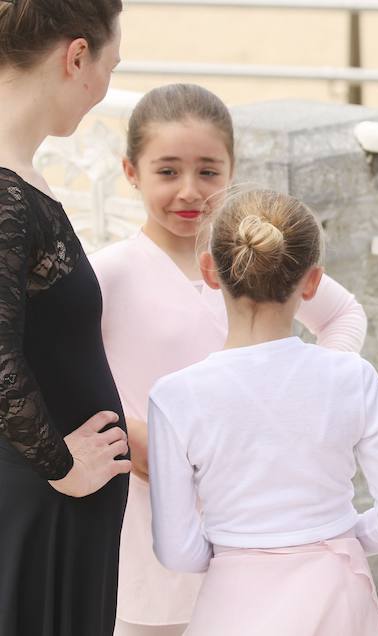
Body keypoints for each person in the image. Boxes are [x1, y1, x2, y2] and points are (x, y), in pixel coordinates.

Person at [90, 83, 368, 636]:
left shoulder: (254, 260)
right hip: (151, 516)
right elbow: (60, 366)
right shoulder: (108, 273)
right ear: (130, 171)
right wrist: (126, 429)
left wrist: (306, 390)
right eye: (167, 171)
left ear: (233, 168)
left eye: (208, 171)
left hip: (258, 518)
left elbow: (344, 314)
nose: (189, 191)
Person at [147, 189, 378, 635]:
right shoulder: (352, 377)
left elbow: (178, 552)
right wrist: (331, 535)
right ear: (312, 282)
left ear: (210, 270)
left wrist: (242, 549)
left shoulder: (174, 397)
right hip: (336, 598)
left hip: (233, 605)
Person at [0, 1, 132, 634]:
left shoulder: (19, 178)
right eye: (111, 65)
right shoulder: (4, 191)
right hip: (38, 511)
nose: (105, 86)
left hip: (48, 508)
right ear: (77, 57)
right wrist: (61, 465)